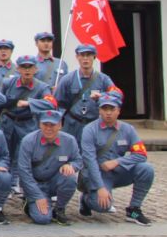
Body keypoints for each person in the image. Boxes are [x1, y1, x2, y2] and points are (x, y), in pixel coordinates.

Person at [78, 91, 154, 226]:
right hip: (97, 174)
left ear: (118, 111)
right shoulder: (89, 130)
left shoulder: (128, 129)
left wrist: (117, 161)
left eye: (112, 109)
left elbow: (141, 154)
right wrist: (100, 187)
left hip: (118, 171)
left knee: (146, 169)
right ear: (99, 110)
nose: (108, 113)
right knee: (104, 206)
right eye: (104, 109)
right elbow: (90, 161)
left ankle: (134, 209)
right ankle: (86, 199)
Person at [17, 98, 81, 225]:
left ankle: (60, 208)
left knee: (70, 178)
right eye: (45, 124)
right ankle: (29, 201)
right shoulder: (28, 141)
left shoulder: (69, 141)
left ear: (60, 125)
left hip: (54, 181)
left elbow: (78, 160)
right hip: (35, 184)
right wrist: (37, 196)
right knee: (43, 219)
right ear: (40, 125)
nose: (48, 128)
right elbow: (24, 171)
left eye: (53, 125)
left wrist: (71, 165)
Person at [0, 56, 52, 194]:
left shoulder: (42, 87)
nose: (27, 70)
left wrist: (30, 103)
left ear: (36, 69)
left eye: (30, 67)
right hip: (8, 122)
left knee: (23, 155)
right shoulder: (8, 83)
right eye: (23, 67)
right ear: (18, 69)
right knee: (6, 153)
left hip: (27, 124)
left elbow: (51, 103)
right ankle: (7, 185)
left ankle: (21, 185)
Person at [54, 44, 116, 140]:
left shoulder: (104, 79)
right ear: (77, 57)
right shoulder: (67, 79)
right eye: (82, 55)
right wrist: (58, 121)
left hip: (94, 124)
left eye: (89, 55)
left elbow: (116, 96)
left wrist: (102, 97)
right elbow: (57, 102)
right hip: (72, 125)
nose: (85, 58)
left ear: (94, 57)